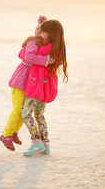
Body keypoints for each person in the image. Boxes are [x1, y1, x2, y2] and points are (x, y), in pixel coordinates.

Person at [0, 15, 55, 151]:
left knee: (23, 110)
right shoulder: (33, 42)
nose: (41, 36)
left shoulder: (42, 44)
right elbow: (28, 56)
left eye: (43, 34)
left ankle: (13, 133)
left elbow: (25, 54)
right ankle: (6, 135)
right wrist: (46, 60)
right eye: (40, 33)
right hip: (19, 83)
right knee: (19, 110)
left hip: (28, 85)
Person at [21, 19, 68, 156]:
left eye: (43, 32)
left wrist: (26, 46)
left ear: (50, 33)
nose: (40, 34)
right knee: (39, 114)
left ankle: (36, 143)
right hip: (46, 86)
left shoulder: (44, 49)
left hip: (36, 86)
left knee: (25, 113)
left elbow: (28, 57)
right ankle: (46, 143)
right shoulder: (57, 48)